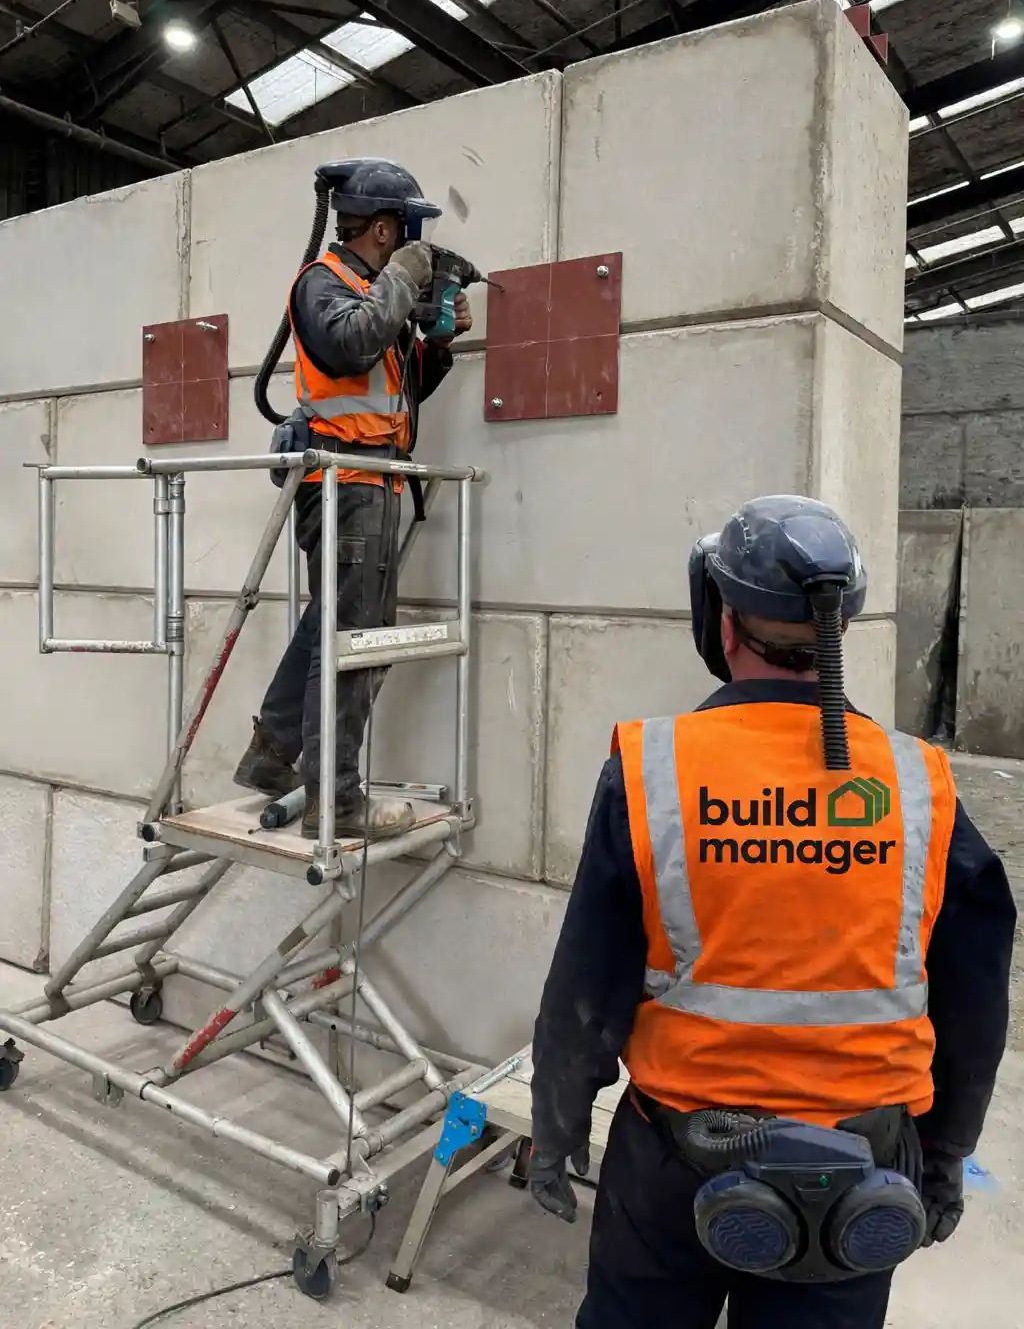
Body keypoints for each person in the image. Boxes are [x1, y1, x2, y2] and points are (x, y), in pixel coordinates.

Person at [529, 494, 1015, 1329]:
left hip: (677, 1158)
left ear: (719, 618)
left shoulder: (655, 770)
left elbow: (586, 986)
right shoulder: (918, 784)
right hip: (860, 1163)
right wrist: (946, 1153)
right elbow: (975, 997)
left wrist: (557, 1127)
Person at [233, 158, 471, 841]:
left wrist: (440, 343)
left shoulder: (371, 294)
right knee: (356, 643)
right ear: (387, 228)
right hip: (345, 484)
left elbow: (397, 394)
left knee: (330, 627)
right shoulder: (325, 284)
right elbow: (345, 348)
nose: (414, 248)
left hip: (372, 480)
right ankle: (335, 802)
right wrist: (404, 278)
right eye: (409, 235)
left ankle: (273, 756)